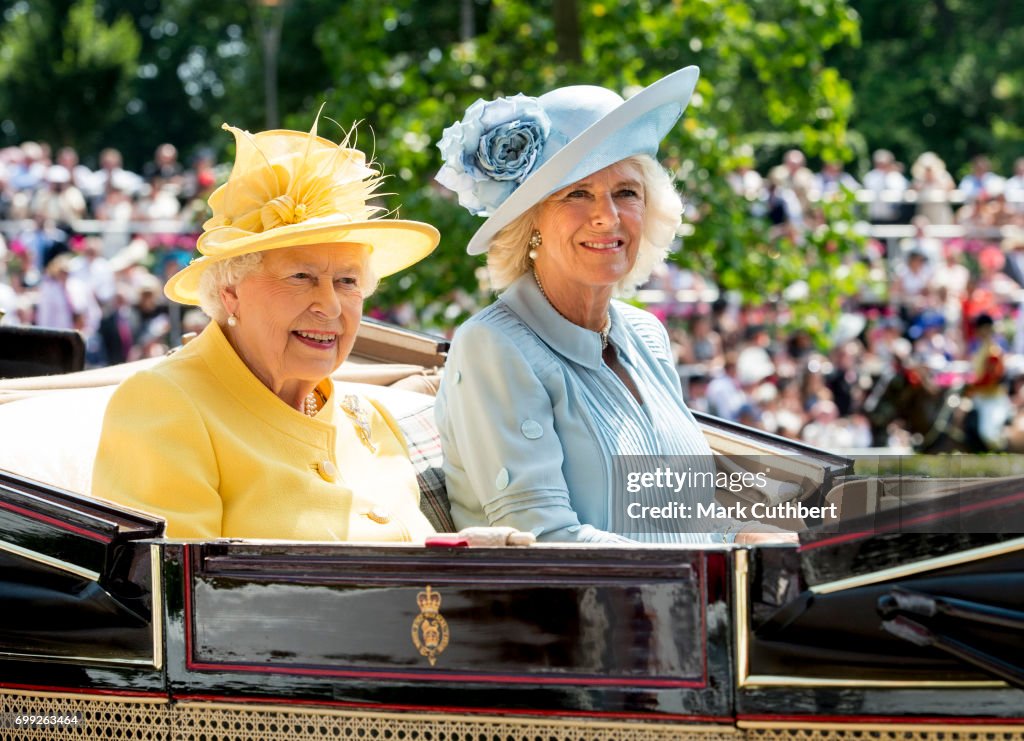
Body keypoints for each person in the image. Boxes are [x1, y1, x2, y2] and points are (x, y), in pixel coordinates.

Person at [434, 67, 786, 544]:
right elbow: (543, 543)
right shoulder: (492, 347)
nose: (607, 215)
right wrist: (715, 561)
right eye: (577, 193)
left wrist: (744, 537)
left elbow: (683, 524)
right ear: (531, 222)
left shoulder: (646, 336)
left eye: (626, 193)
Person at [92, 116, 442, 541]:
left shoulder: (365, 415)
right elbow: (177, 599)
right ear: (230, 292)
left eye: (347, 281)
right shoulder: (164, 406)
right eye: (301, 277)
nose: (330, 305)